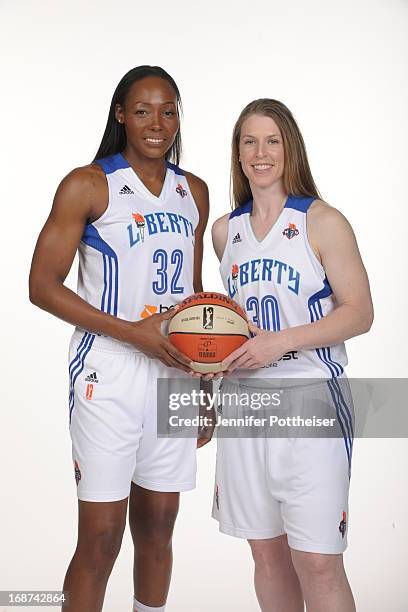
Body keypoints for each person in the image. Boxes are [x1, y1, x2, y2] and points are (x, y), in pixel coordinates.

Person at [29, 65, 210, 612]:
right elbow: (40, 285)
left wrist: (204, 385)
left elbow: (193, 293)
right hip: (107, 370)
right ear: (120, 115)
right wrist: (132, 333)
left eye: (169, 109)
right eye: (143, 110)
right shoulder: (88, 183)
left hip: (174, 373)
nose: (158, 122)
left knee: (158, 529)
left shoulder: (193, 191)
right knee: (103, 536)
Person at [211, 99, 373, 611]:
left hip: (310, 403)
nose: (261, 153)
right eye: (249, 142)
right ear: (237, 154)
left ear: (291, 148)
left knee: (319, 560)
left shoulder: (322, 221)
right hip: (244, 409)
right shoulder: (224, 232)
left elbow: (360, 313)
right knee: (266, 555)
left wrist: (277, 342)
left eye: (272, 140)